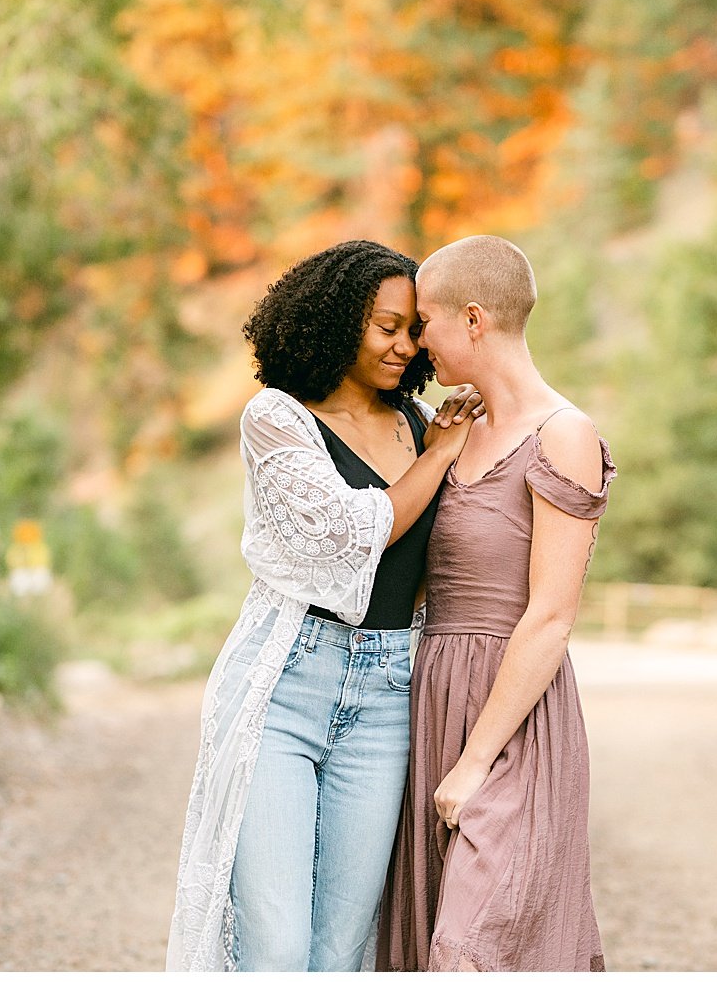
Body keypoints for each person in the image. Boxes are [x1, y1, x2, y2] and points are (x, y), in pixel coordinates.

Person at [165, 239, 484, 972]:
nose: (405, 346)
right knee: (274, 943)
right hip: (286, 685)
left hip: (388, 694)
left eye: (414, 330)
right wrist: (437, 456)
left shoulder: (419, 419)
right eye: (386, 326)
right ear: (338, 321)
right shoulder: (277, 419)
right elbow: (349, 538)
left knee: (342, 946)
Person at [379, 235, 616, 972]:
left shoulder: (564, 435)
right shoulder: (449, 431)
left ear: (474, 319)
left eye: (426, 323)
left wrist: (476, 758)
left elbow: (550, 615)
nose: (418, 344)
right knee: (426, 939)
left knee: (473, 946)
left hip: (513, 721)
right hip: (434, 698)